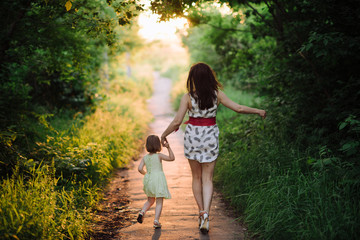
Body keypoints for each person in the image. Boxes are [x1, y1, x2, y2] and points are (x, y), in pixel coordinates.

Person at [160, 62, 266, 233]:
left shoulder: (187, 97)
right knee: (208, 179)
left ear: (193, 78)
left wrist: (163, 135)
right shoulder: (217, 95)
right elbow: (238, 108)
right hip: (210, 138)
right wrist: (258, 111)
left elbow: (177, 121)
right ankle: (207, 215)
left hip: (193, 138)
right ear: (210, 77)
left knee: (196, 178)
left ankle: (201, 212)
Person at [137, 135, 175, 228]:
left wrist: (146, 174)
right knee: (159, 201)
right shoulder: (159, 156)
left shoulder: (145, 157)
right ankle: (156, 220)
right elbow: (172, 158)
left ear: (147, 145)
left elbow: (139, 168)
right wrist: (168, 147)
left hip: (149, 179)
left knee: (150, 200)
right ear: (158, 145)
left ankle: (142, 212)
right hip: (158, 180)